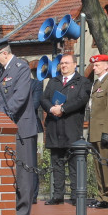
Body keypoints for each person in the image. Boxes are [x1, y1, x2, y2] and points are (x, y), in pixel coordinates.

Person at [0, 38, 40, 215]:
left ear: (4, 53)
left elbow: (20, 98)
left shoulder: (20, 68)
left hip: (21, 128)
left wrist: (2, 118)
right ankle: (9, 209)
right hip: (5, 127)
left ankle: (22, 214)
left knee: (24, 174)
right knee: (9, 172)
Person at [41, 53, 90, 205]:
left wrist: (63, 109)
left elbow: (81, 100)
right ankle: (58, 195)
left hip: (71, 128)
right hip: (55, 127)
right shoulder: (53, 81)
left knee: (74, 165)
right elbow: (43, 98)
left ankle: (76, 195)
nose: (63, 66)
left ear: (75, 64)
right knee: (57, 164)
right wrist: (51, 109)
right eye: (61, 63)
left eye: (67, 63)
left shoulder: (82, 81)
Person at [86, 54, 108, 210]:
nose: (94, 68)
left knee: (106, 165)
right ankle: (101, 195)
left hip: (103, 129)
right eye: (94, 65)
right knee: (98, 165)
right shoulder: (96, 84)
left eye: (97, 65)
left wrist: (107, 131)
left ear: (106, 66)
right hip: (94, 130)